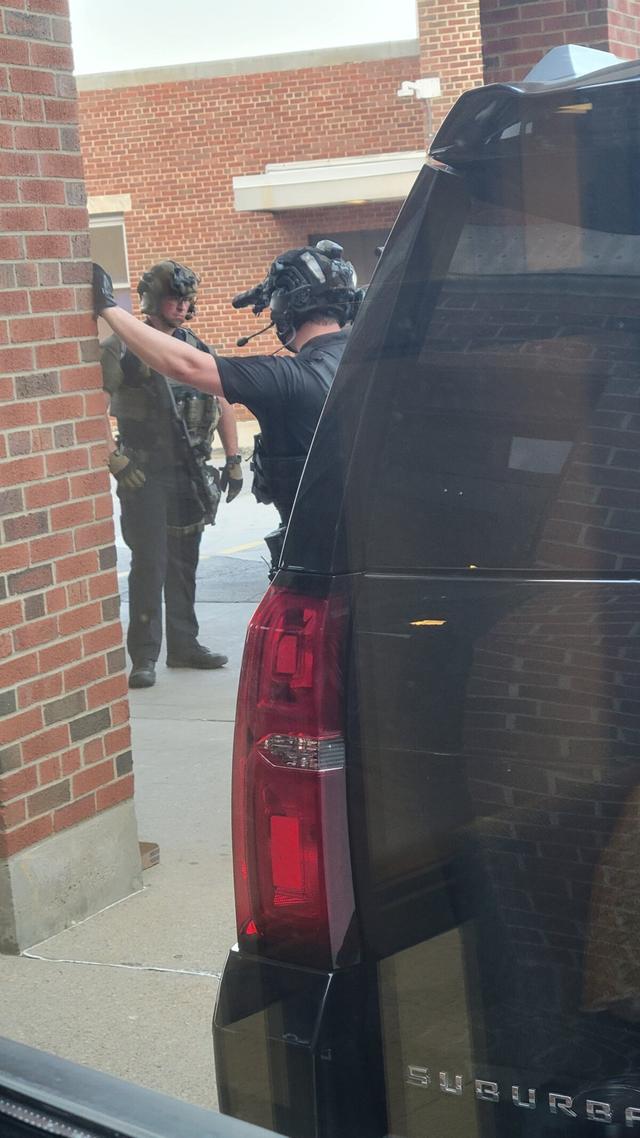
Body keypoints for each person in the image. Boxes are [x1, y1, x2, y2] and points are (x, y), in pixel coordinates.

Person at [92, 241, 363, 574]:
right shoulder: (370, 359)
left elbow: (187, 367)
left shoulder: (287, 377)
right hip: (377, 547)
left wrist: (108, 307)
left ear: (284, 309)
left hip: (318, 560)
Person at [100, 259, 243, 689]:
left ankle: (184, 645)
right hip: (145, 472)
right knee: (150, 564)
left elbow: (221, 403)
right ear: (151, 300)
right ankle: (144, 656)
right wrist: (115, 460)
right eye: (172, 298)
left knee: (185, 563)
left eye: (185, 299)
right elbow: (92, 406)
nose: (180, 307)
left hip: (189, 471)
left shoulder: (195, 346)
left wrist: (233, 459)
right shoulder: (120, 347)